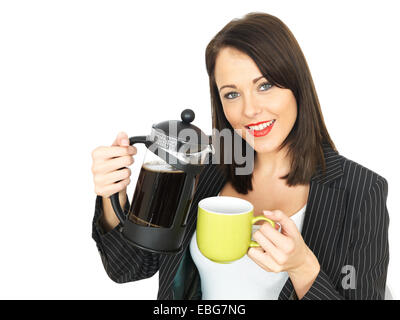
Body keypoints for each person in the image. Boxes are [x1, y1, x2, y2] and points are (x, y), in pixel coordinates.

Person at [90, 12, 389, 300]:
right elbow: (127, 267)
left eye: (265, 85)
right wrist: (112, 195)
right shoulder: (203, 165)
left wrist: (303, 269)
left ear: (296, 85)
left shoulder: (360, 191)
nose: (249, 110)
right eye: (232, 94)